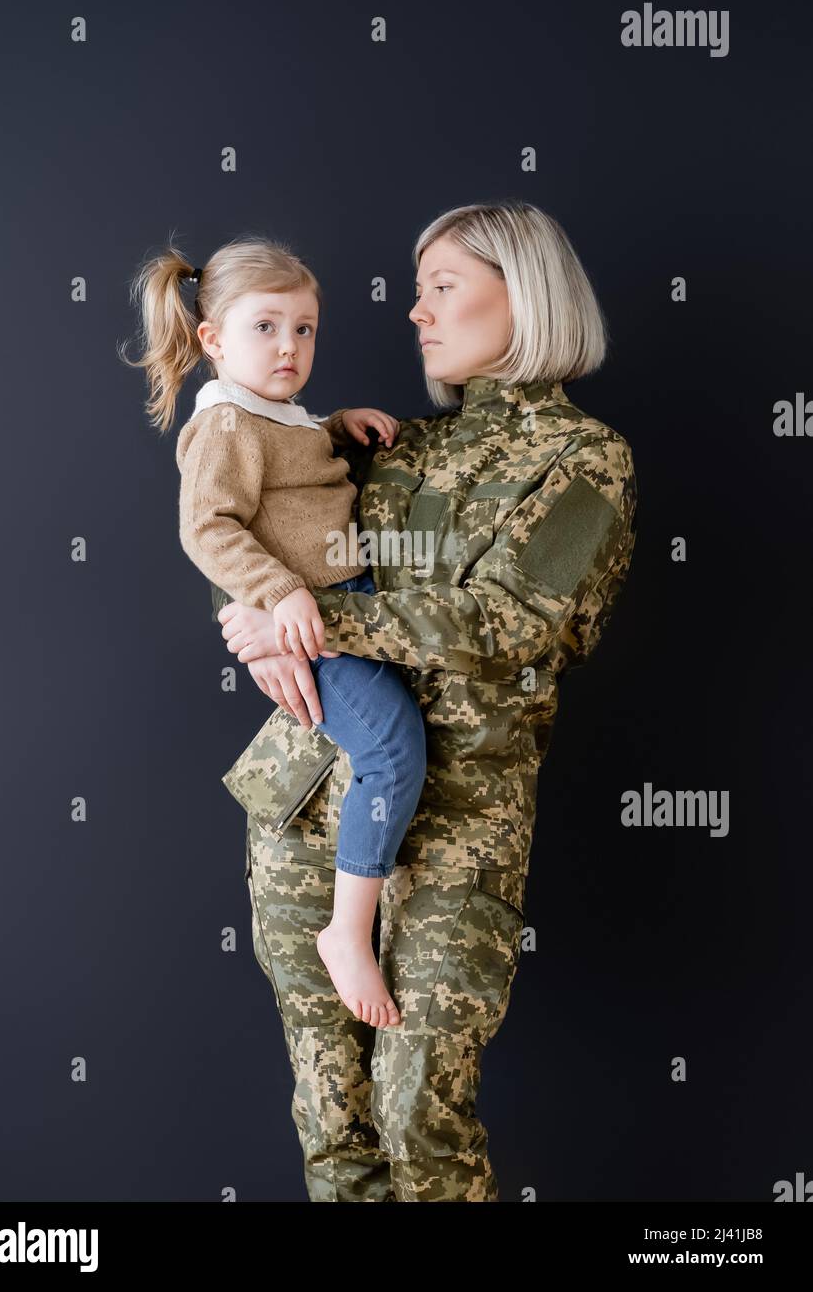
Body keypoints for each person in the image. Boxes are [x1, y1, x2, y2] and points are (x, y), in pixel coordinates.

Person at [220, 200, 638, 1202]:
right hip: (305, 799)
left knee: (418, 1115)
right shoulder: (394, 445)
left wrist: (310, 616)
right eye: (418, 292)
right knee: (334, 1123)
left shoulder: (586, 460)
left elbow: (513, 625)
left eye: (441, 287)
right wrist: (246, 611)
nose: (414, 312)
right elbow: (251, 515)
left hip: (457, 828)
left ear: (524, 295)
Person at [120, 236, 428, 1026]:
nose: (289, 347)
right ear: (212, 339)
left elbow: (290, 462)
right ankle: (347, 931)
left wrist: (335, 423)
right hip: (315, 616)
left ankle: (355, 915)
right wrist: (276, 591)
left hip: (343, 599)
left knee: (396, 735)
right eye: (265, 328)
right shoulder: (225, 423)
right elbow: (209, 528)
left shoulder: (273, 412)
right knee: (391, 748)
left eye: (305, 329)